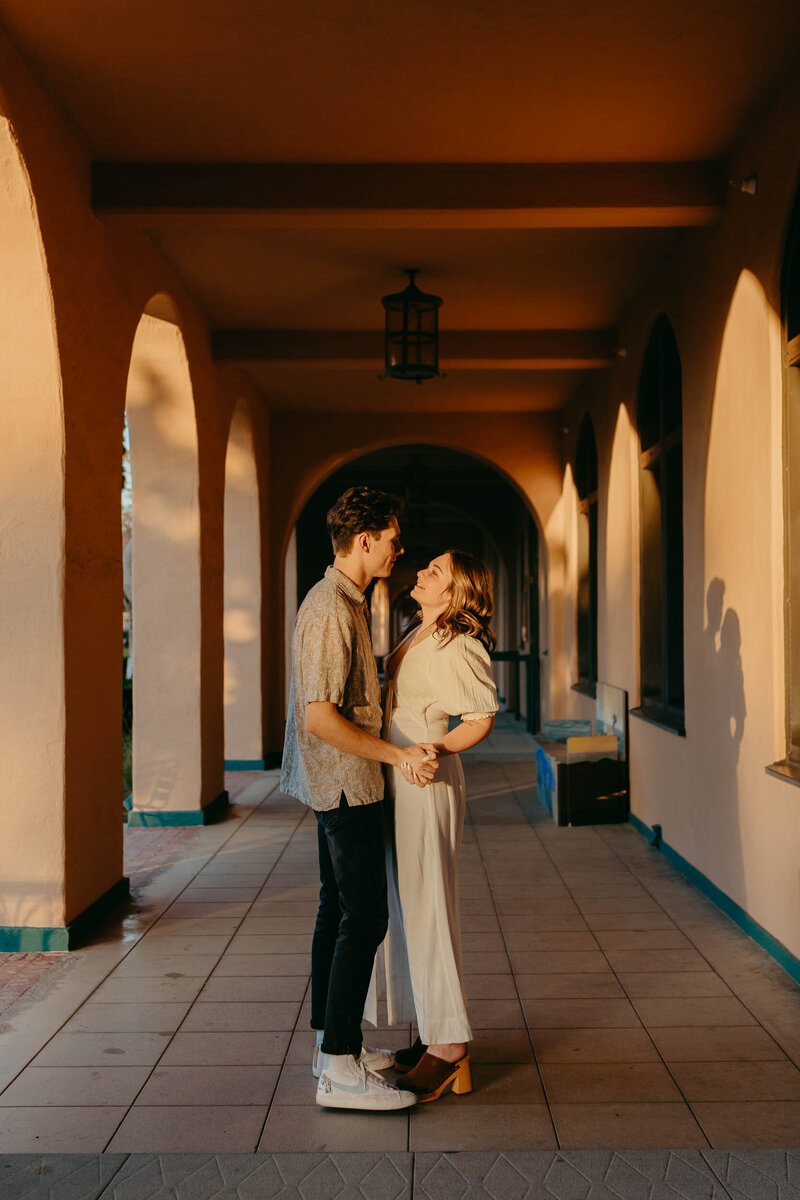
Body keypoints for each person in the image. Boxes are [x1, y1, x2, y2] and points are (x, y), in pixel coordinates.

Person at [280, 485, 440, 1111]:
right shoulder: (327, 608)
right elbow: (320, 717)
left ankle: (331, 1046)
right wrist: (399, 754)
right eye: (394, 538)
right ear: (366, 537)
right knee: (363, 918)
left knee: (335, 910)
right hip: (345, 784)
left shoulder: (350, 600)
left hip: (347, 781)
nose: (401, 548)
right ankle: (341, 1070)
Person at [377, 549, 498, 1102]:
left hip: (426, 784)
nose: (421, 573)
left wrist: (433, 747)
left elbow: (480, 718)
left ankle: (449, 1048)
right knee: (410, 909)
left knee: (429, 909)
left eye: (435, 571)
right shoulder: (418, 631)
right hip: (401, 781)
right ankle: (433, 1031)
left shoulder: (459, 643)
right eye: (425, 565)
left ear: (456, 591)